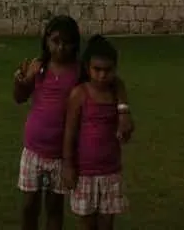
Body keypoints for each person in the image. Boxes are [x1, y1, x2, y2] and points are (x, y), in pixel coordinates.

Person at [13, 18, 134, 230]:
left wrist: (123, 110)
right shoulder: (39, 67)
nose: (60, 47)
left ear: (75, 44)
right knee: (29, 205)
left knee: (54, 207)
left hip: (61, 154)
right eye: (55, 41)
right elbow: (20, 97)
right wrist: (21, 82)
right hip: (33, 149)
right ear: (46, 41)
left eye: (66, 42)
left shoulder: (81, 71)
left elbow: (115, 81)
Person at [62, 35, 132, 230]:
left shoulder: (116, 92)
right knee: (86, 223)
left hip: (110, 170)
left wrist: (125, 120)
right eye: (97, 70)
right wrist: (68, 165)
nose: (102, 75)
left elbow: (126, 125)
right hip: (85, 172)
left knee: (107, 223)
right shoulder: (80, 94)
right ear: (87, 68)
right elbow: (70, 132)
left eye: (107, 70)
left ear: (115, 69)